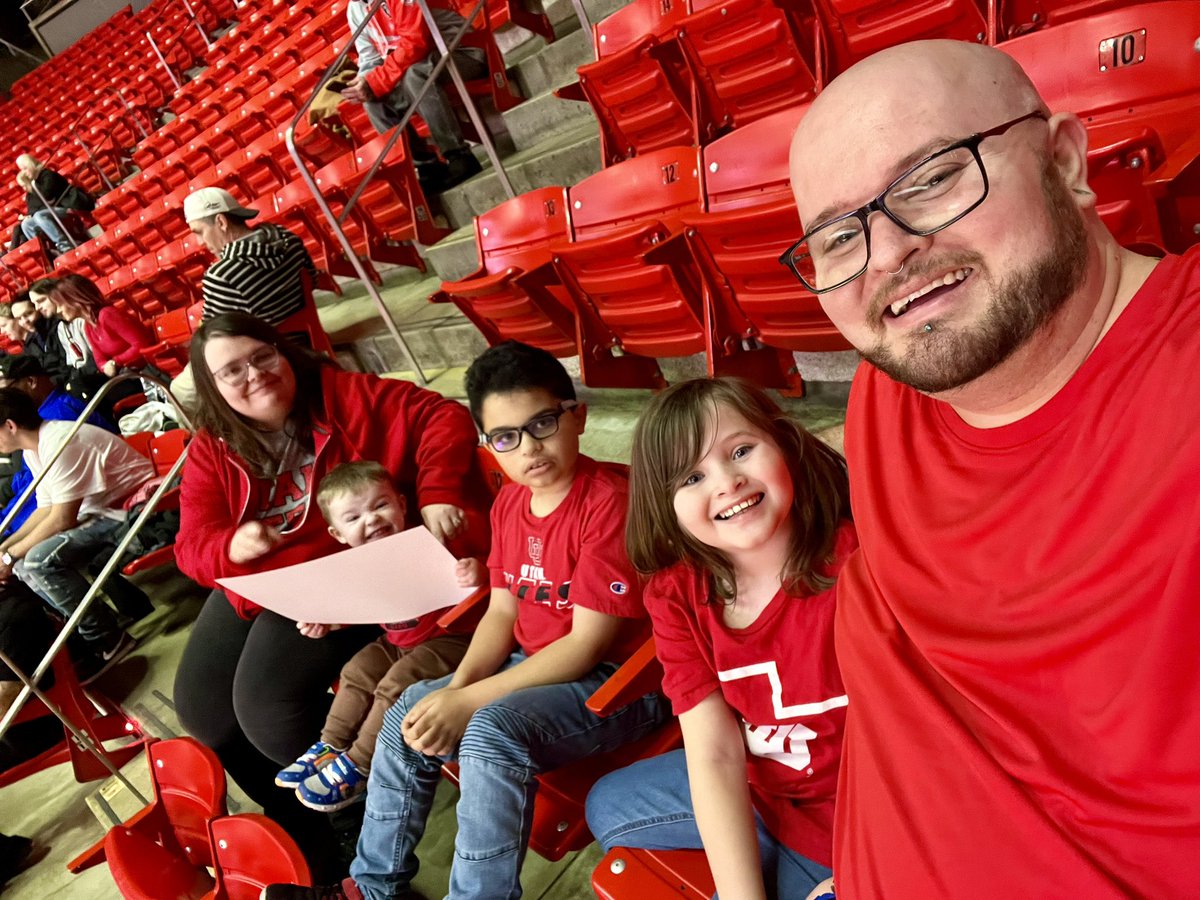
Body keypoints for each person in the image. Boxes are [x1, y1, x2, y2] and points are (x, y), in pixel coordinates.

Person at [782, 40, 1200, 896]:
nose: (889, 251)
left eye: (932, 179)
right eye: (836, 236)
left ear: (1066, 160)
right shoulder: (885, 399)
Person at [263, 340, 671, 900]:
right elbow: (502, 611)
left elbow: (583, 646)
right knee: (410, 706)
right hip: (533, 667)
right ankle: (370, 887)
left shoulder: (610, 503)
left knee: (488, 729)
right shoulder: (510, 504)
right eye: (506, 437)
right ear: (490, 445)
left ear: (577, 416)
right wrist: (454, 689)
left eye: (544, 423)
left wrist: (469, 702)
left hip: (620, 683)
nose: (529, 448)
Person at [172, 312, 487, 877]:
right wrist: (230, 547)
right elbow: (190, 547)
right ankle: (305, 842)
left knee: (264, 707)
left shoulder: (344, 394)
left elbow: (443, 414)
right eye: (231, 371)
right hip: (263, 581)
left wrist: (438, 488)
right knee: (202, 711)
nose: (254, 376)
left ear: (283, 352)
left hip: (352, 571)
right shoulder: (211, 447)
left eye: (262, 356)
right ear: (213, 388)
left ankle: (360, 823)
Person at [584, 378, 855, 900]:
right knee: (606, 804)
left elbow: (918, 740)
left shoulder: (858, 566)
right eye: (692, 476)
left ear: (785, 447)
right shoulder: (674, 594)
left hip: (848, 809)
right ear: (666, 508)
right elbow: (712, 751)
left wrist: (866, 854)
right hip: (764, 788)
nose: (727, 482)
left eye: (741, 450)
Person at [275, 460, 483, 813]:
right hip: (399, 641)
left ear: (402, 504)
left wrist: (476, 568)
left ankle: (359, 764)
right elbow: (361, 609)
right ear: (338, 534)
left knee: (395, 683)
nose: (371, 520)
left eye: (380, 505)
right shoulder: (362, 563)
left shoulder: (430, 537)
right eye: (353, 518)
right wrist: (327, 623)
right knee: (356, 670)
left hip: (454, 637)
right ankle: (331, 745)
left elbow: (487, 560)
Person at [0, 389, 151, 683]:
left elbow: (62, 518)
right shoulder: (36, 449)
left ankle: (108, 638)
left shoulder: (61, 442)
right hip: (104, 513)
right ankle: (85, 632)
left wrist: (8, 556)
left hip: (134, 511)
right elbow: (45, 509)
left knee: (36, 561)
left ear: (10, 426)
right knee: (22, 563)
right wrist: (5, 548)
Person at [344, 0, 485, 191]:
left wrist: (375, 81)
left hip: (463, 54)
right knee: (372, 101)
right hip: (423, 65)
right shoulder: (355, 8)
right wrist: (363, 83)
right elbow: (370, 59)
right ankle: (425, 165)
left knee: (415, 75)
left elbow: (415, 42)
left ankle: (459, 155)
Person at [0, 355, 115, 538]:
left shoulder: (58, 417)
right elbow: (38, 494)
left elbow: (53, 510)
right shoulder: (41, 421)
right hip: (82, 506)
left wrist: (7, 528)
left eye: (7, 390)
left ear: (30, 381)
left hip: (108, 510)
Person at [183, 187, 316, 326]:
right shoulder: (287, 237)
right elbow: (313, 278)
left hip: (274, 346)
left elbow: (215, 332)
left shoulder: (221, 276)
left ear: (221, 222)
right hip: (313, 333)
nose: (200, 242)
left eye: (199, 232)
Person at [46, 274, 156, 378]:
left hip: (148, 371)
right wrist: (108, 366)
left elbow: (141, 344)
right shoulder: (88, 326)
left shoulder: (107, 315)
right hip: (128, 374)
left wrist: (115, 362)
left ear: (74, 299)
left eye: (60, 304)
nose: (58, 310)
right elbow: (100, 362)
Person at [12, 154, 94, 256]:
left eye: (25, 168)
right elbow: (33, 207)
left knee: (39, 215)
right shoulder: (34, 185)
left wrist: (34, 188)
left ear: (31, 164)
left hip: (66, 208)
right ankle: (45, 252)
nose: (24, 172)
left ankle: (64, 245)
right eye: (21, 170)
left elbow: (46, 195)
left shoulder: (47, 175)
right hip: (52, 211)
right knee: (26, 224)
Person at [10, 293, 69, 386]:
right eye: (19, 319)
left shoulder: (59, 327)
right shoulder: (29, 345)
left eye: (28, 313)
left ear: (38, 309)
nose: (24, 321)